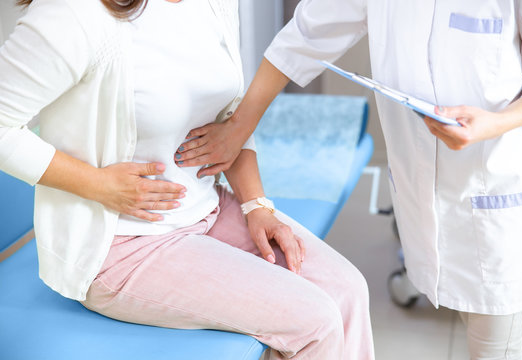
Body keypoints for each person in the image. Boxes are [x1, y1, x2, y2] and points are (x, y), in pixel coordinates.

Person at [0, 0, 375, 359]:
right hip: (121, 244)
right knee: (315, 321)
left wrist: (256, 204)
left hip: (208, 209)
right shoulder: (72, 14)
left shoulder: (213, 3)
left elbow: (227, 112)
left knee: (348, 291)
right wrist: (99, 185)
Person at [175, 1, 522, 359]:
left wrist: (494, 123)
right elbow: (304, 35)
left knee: (497, 347)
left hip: (496, 191)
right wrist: (240, 126)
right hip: (421, 192)